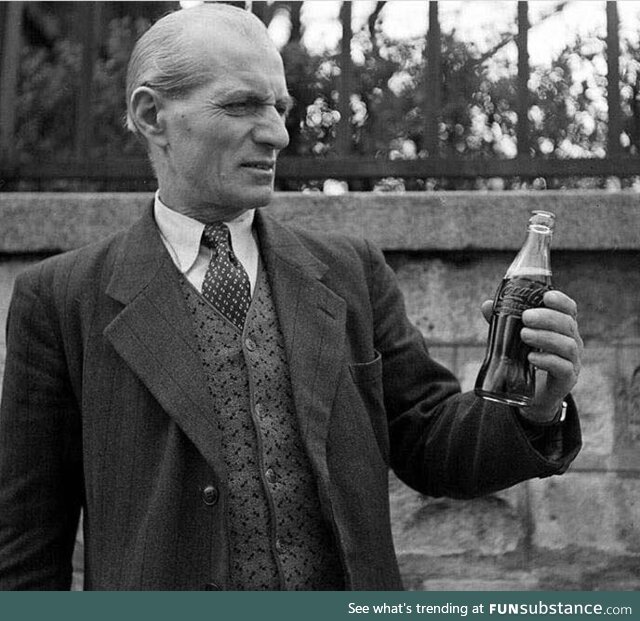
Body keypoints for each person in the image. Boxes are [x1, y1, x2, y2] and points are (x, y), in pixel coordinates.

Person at [0, 4, 583, 591]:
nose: (278, 134)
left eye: (279, 108)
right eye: (241, 104)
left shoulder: (350, 272)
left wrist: (533, 409)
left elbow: (430, 443)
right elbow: (25, 552)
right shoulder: (60, 300)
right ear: (153, 115)